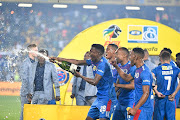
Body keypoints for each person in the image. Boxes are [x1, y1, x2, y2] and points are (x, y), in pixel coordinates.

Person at [50, 44, 116, 120]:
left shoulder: (103, 64)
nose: (90, 53)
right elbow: (77, 62)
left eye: (92, 52)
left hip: (108, 98)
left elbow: (95, 82)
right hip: (100, 97)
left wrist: (80, 76)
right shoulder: (93, 61)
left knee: (103, 119)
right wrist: (57, 59)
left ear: (98, 53)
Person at [110, 47, 153, 120]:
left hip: (144, 109)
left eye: (131, 55)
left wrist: (135, 108)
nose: (129, 58)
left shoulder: (144, 72)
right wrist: (116, 66)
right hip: (138, 106)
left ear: (136, 57)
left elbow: (146, 93)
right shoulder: (137, 70)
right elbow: (126, 77)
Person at [152, 52, 180, 120]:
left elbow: (152, 82)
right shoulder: (176, 69)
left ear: (161, 59)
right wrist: (174, 93)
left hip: (160, 98)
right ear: (170, 59)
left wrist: (156, 91)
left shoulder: (156, 69)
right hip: (171, 98)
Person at [112, 47, 136, 120]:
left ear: (124, 55)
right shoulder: (120, 67)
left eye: (117, 54)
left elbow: (133, 86)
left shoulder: (132, 67)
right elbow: (118, 83)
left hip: (130, 102)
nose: (115, 56)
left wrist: (117, 85)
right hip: (120, 101)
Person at [19, 44, 38, 120]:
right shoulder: (25, 63)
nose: (37, 52)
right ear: (30, 51)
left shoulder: (36, 63)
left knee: (33, 113)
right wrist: (29, 93)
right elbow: (25, 79)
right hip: (26, 93)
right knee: (25, 112)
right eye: (35, 50)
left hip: (34, 92)